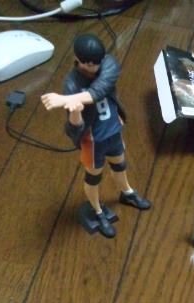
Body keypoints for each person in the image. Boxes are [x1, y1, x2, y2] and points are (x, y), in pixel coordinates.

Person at [41, 34, 151, 239]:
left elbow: (99, 90)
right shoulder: (72, 83)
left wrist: (64, 99)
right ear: (79, 60)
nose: (95, 67)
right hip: (93, 140)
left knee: (120, 165)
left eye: (97, 62)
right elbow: (75, 127)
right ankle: (98, 211)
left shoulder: (108, 65)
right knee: (94, 177)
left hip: (113, 130)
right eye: (90, 64)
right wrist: (74, 111)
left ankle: (127, 192)